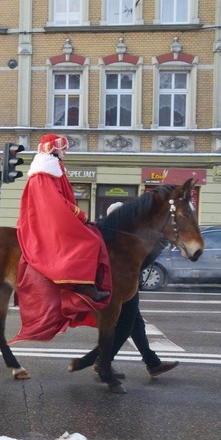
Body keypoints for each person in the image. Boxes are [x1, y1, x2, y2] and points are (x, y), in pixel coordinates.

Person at [17, 134, 111, 302]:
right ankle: (84, 285)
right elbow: (56, 202)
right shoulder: (46, 173)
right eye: (63, 149)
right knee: (91, 241)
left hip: (50, 219)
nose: (65, 153)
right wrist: (81, 216)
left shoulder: (50, 170)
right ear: (54, 150)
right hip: (50, 221)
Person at [94, 202, 179, 379]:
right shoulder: (116, 238)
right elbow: (138, 265)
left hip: (125, 287)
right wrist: (160, 245)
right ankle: (103, 362)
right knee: (128, 326)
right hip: (121, 289)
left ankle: (152, 362)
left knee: (136, 325)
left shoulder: (118, 235)